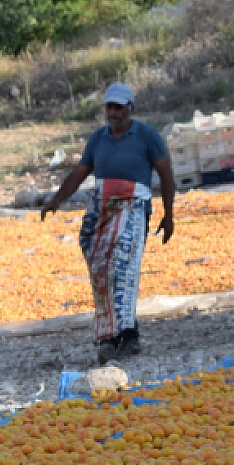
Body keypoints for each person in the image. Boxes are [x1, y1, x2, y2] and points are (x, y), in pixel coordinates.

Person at [40, 83, 175, 364]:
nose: (114, 113)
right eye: (109, 108)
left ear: (130, 108)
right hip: (102, 209)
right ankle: (113, 334)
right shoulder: (98, 139)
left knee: (122, 268)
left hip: (133, 208)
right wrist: (56, 200)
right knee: (101, 270)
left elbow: (165, 174)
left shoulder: (147, 136)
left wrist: (169, 214)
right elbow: (79, 173)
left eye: (119, 107)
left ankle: (124, 336)